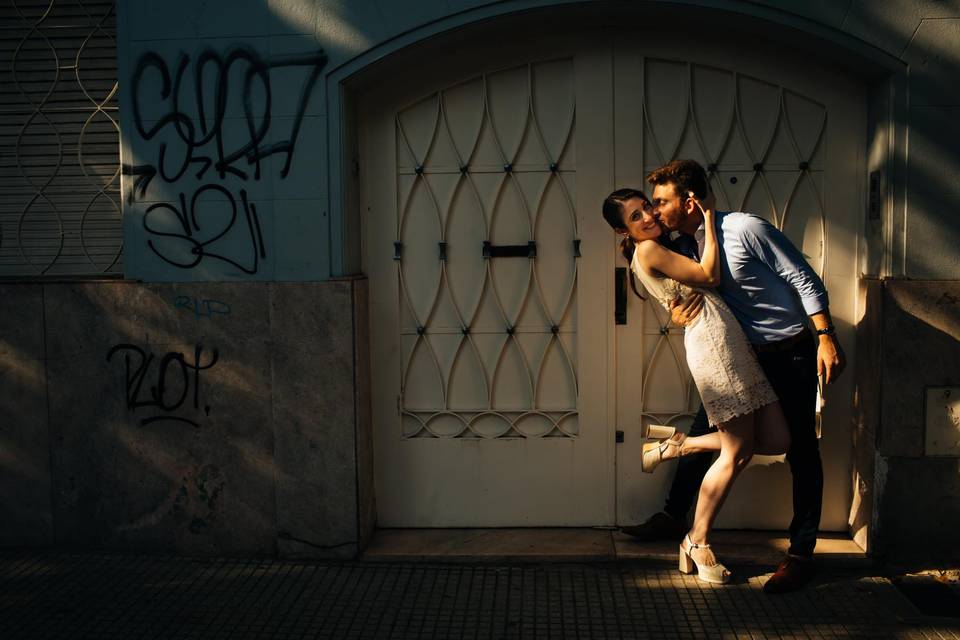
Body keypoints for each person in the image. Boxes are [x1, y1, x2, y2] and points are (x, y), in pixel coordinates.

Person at [619, 159, 845, 594]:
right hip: (737, 355)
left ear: (688, 201)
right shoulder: (681, 244)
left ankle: (799, 555)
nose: (654, 212)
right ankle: (675, 517)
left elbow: (802, 277)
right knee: (710, 431)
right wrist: (675, 306)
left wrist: (825, 336)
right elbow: (678, 283)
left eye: (661, 202)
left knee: (798, 449)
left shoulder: (745, 229)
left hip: (790, 353)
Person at [602, 185, 791, 584]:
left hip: (729, 340)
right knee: (735, 454)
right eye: (636, 217)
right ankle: (697, 541)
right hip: (713, 345)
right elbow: (708, 274)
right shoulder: (649, 251)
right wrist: (707, 218)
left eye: (647, 207)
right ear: (624, 232)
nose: (649, 216)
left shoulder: (661, 245)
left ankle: (679, 445)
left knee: (776, 439)